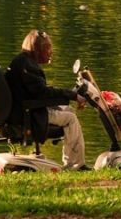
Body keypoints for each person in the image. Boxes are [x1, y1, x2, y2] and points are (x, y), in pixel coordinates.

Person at [5, 30, 90, 170]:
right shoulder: (28, 66)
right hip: (28, 115)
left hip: (25, 110)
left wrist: (67, 96)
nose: (50, 52)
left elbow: (38, 91)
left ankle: (71, 161)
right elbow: (42, 93)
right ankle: (76, 165)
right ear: (37, 49)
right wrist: (72, 95)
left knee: (68, 110)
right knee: (71, 119)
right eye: (47, 48)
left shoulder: (23, 61)